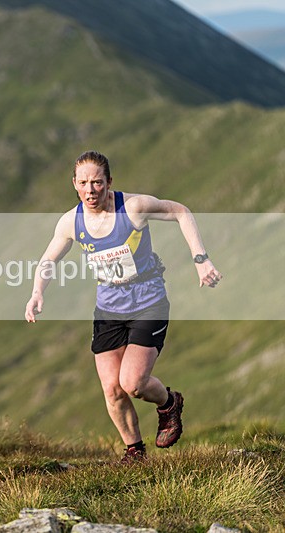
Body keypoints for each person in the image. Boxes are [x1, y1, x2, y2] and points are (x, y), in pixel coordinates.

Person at [24, 150, 222, 463]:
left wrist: (201, 259)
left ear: (109, 182)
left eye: (98, 183)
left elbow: (181, 212)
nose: (91, 190)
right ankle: (134, 452)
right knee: (112, 389)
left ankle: (169, 403)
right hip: (108, 311)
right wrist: (37, 292)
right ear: (75, 184)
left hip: (148, 304)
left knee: (133, 383)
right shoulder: (71, 222)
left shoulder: (133, 208)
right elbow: (48, 260)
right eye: (84, 183)